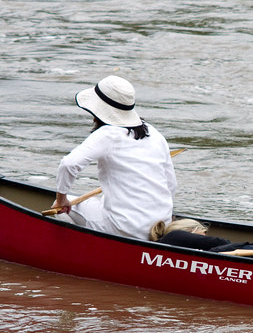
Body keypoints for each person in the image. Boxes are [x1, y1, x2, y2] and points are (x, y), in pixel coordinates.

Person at [53, 75, 176, 240]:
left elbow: (68, 164)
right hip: (161, 225)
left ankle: (82, 249)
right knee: (102, 201)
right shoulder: (154, 133)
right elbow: (171, 185)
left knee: (60, 209)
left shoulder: (108, 134)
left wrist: (61, 200)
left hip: (124, 228)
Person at [149, 218, 253, 266]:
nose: (205, 234)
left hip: (239, 253)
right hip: (241, 252)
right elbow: (219, 241)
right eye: (203, 231)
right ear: (191, 230)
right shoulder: (174, 236)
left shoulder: (173, 240)